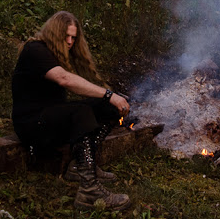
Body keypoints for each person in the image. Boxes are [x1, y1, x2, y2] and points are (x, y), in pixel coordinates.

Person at [11, 11, 131, 211]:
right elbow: (64, 79)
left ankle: (79, 165)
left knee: (108, 107)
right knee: (81, 112)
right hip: (31, 124)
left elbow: (82, 85)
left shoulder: (58, 53)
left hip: (52, 118)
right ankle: (89, 192)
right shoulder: (35, 49)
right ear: (53, 33)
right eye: (65, 36)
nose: (69, 42)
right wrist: (109, 94)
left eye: (73, 38)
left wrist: (111, 99)